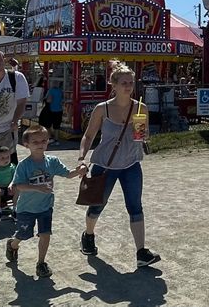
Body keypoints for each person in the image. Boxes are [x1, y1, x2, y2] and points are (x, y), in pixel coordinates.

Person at [76, 63, 161, 268]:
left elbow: (143, 135)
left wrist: (145, 136)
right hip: (105, 165)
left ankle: (141, 252)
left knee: (135, 206)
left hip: (131, 163)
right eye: (124, 83)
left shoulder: (141, 107)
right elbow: (88, 136)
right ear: (113, 85)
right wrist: (81, 158)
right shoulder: (102, 109)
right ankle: (88, 235)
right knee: (97, 204)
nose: (128, 86)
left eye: (131, 83)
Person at [5, 125, 80, 279]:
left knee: (45, 234)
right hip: (26, 209)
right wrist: (37, 187)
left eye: (44, 141)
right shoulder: (24, 165)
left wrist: (79, 171)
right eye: (35, 142)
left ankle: (41, 263)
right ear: (26, 145)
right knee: (24, 234)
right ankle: (13, 244)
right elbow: (19, 185)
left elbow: (68, 174)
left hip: (45, 207)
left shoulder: (52, 161)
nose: (40, 144)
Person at [39, 79, 64, 144]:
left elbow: (49, 100)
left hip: (51, 110)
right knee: (57, 126)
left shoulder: (51, 90)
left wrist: (44, 99)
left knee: (47, 125)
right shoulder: (60, 91)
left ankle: (50, 138)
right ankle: (56, 140)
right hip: (59, 110)